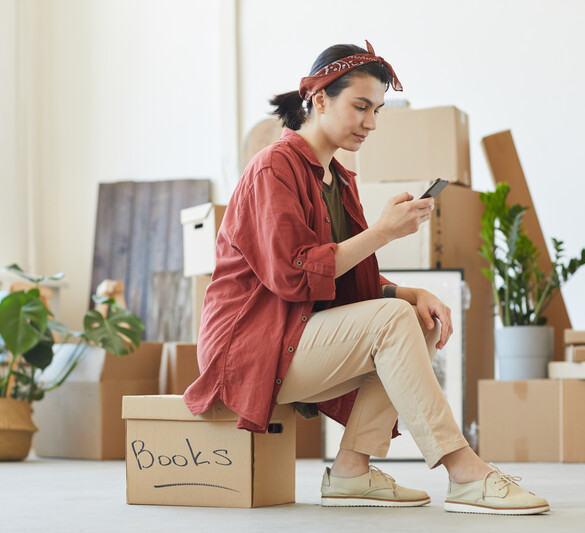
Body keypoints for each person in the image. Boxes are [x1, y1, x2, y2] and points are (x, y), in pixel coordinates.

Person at [183, 40, 549, 516]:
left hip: (293, 337)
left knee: (416, 317)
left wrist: (406, 291)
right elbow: (295, 275)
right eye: (360, 107)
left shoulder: (337, 177)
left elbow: (345, 275)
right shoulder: (274, 168)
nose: (371, 123)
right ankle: (465, 473)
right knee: (393, 320)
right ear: (318, 100)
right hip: (249, 348)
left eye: (376, 110)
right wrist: (382, 233)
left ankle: (352, 472)